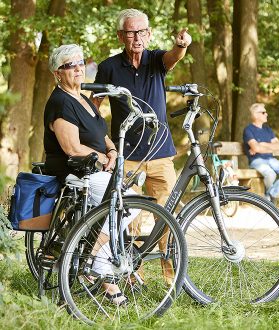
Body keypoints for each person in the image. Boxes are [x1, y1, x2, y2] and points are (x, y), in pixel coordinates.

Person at [91, 8, 192, 285]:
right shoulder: (109, 67)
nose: (138, 37)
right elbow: (93, 109)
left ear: (149, 33)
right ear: (121, 35)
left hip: (160, 152)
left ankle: (172, 278)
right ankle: (132, 275)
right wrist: (104, 144)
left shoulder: (156, 59)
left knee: (168, 216)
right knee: (128, 217)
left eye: (143, 31)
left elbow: (174, 57)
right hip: (127, 154)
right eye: (132, 32)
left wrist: (181, 45)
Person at [44, 44, 126, 305]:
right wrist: (103, 159)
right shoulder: (60, 102)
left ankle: (84, 256)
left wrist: (111, 150)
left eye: (80, 62)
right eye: (70, 65)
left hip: (96, 168)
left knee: (120, 206)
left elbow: (100, 133)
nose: (78, 68)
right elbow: (71, 148)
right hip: (74, 171)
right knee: (123, 206)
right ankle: (100, 273)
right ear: (58, 73)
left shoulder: (84, 99)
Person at [243, 103, 279, 203]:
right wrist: (267, 147)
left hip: (271, 159)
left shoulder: (268, 130)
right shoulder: (248, 130)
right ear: (255, 114)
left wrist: (261, 144)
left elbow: (278, 146)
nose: (266, 114)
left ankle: (271, 194)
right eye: (263, 112)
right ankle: (270, 199)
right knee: (271, 174)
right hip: (257, 160)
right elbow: (255, 148)